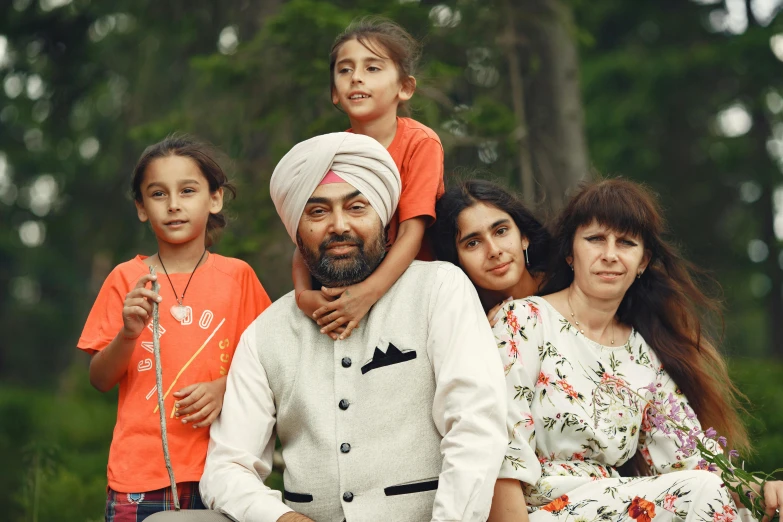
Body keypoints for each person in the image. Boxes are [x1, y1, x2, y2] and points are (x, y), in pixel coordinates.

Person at [199, 132, 507, 522]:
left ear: (385, 218)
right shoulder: (265, 334)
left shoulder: (438, 290)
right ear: (296, 230)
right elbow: (226, 469)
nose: (339, 225)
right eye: (317, 212)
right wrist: (280, 519)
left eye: (357, 207)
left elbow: (476, 426)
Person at [487, 178, 783, 522]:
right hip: (537, 509)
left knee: (724, 498)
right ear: (571, 252)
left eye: (625, 242)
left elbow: (689, 456)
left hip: (613, 506)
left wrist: (758, 490)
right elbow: (502, 447)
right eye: (595, 239)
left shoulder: (641, 355)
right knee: (704, 493)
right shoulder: (524, 320)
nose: (609, 255)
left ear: (642, 262)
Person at [77, 135, 272, 521]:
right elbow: (99, 378)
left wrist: (224, 389)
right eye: (158, 194)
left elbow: (272, 369)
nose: (174, 205)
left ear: (214, 198)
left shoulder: (239, 278)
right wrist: (128, 334)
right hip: (138, 477)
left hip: (224, 474)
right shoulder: (126, 279)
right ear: (141, 208)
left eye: (187, 190)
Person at [292, 17, 445, 341]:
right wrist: (303, 295)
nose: (356, 78)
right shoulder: (331, 151)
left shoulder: (420, 143)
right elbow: (304, 233)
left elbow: (411, 232)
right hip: (344, 288)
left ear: (405, 87)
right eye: (345, 70)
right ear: (335, 92)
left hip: (410, 288)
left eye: (372, 68)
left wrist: (366, 295)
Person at [432, 179, 550, 321]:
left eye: (501, 231)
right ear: (456, 261)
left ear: (524, 237)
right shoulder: (460, 326)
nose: (494, 251)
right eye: (473, 243)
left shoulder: (571, 286)